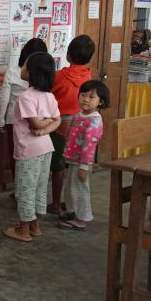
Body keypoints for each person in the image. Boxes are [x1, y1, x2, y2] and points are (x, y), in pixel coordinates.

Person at [3, 52, 61, 242]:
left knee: (25, 189)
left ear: (31, 73)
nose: (22, 68)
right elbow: (57, 120)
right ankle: (35, 226)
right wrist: (47, 126)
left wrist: (42, 127)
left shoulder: (25, 97)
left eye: (25, 65)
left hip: (29, 151)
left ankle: (24, 230)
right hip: (46, 148)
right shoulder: (49, 96)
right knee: (38, 188)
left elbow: (35, 124)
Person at [48, 35, 94, 216]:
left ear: (68, 55)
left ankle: (55, 204)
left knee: (58, 166)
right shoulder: (88, 76)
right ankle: (72, 204)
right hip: (81, 125)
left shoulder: (59, 76)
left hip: (60, 125)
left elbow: (48, 95)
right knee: (75, 166)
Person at [58, 80, 109, 230]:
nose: (86, 99)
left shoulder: (94, 121)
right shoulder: (79, 115)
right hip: (73, 159)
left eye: (91, 97)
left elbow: (89, 147)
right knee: (70, 188)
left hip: (82, 163)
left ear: (101, 102)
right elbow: (70, 135)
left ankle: (81, 220)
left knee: (80, 190)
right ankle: (72, 211)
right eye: (83, 95)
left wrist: (84, 167)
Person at [0, 39, 48, 170]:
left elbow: (4, 99)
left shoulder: (13, 71)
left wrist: (1, 121)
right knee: (34, 154)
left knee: (16, 154)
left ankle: (18, 181)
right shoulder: (44, 75)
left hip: (13, 119)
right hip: (37, 119)